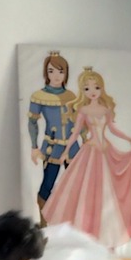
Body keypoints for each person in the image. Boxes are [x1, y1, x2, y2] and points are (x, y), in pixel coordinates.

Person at [40, 68, 131, 248]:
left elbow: (113, 129)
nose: (92, 91)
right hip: (90, 152)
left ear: (101, 88)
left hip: (106, 150)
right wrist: (65, 151)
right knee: (87, 191)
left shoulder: (105, 109)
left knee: (108, 192)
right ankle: (85, 231)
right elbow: (75, 133)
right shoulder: (83, 110)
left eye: (96, 87)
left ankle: (107, 231)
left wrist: (129, 139)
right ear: (83, 91)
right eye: (87, 88)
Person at [25, 49, 80, 216]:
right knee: (48, 184)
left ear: (66, 74)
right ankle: (44, 219)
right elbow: (32, 122)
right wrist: (34, 147)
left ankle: (72, 218)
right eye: (51, 71)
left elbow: (78, 121)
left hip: (72, 147)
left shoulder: (71, 95)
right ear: (46, 73)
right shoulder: (39, 96)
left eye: (60, 72)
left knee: (76, 184)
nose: (56, 76)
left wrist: (86, 139)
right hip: (52, 147)